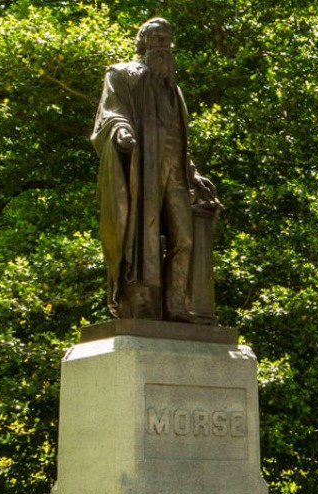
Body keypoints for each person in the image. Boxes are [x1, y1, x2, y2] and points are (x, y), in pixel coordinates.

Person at [92, 17, 220, 322]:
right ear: (143, 43)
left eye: (167, 39)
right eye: (156, 39)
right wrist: (121, 130)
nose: (163, 45)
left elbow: (177, 138)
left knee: (184, 238)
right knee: (144, 238)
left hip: (176, 174)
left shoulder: (174, 91)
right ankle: (143, 306)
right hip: (144, 169)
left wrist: (192, 173)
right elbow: (110, 113)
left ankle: (176, 305)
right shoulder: (122, 75)